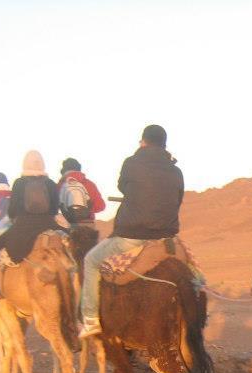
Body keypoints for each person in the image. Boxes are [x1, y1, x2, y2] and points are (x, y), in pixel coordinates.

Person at [78, 124, 184, 338]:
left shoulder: (132, 163)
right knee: (192, 272)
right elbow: (178, 198)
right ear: (164, 144)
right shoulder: (176, 171)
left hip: (132, 238)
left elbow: (123, 187)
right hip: (166, 238)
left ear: (144, 142)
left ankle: (90, 320)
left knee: (90, 261)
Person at [0, 150, 63, 298]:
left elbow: (13, 210)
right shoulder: (51, 183)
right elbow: (54, 209)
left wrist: (16, 219)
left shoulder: (19, 183)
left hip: (22, 228)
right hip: (49, 225)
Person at [57, 158, 105, 225]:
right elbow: (101, 206)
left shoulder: (60, 185)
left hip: (68, 224)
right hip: (87, 224)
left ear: (63, 171)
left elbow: (54, 207)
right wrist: (86, 210)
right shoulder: (89, 184)